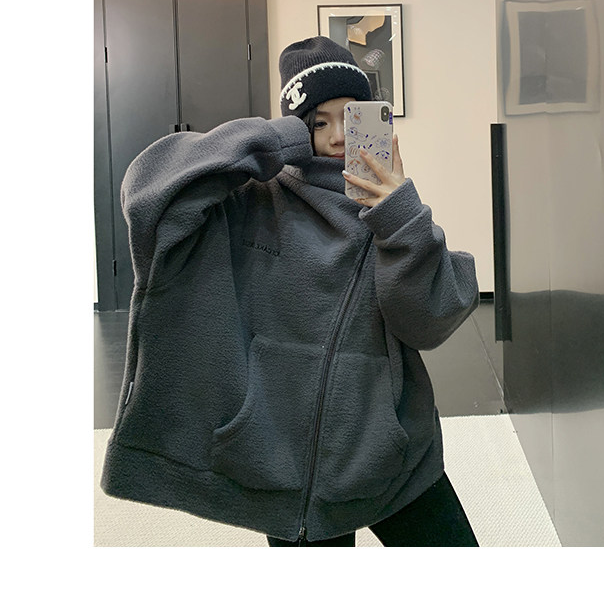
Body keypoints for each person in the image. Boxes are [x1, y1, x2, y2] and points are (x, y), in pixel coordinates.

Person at [101, 36, 480, 546]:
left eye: (353, 117)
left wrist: (399, 216)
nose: (339, 136)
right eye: (318, 122)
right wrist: (279, 140)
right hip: (277, 460)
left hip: (389, 456)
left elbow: (427, 322)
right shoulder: (254, 199)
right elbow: (148, 190)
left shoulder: (390, 209)